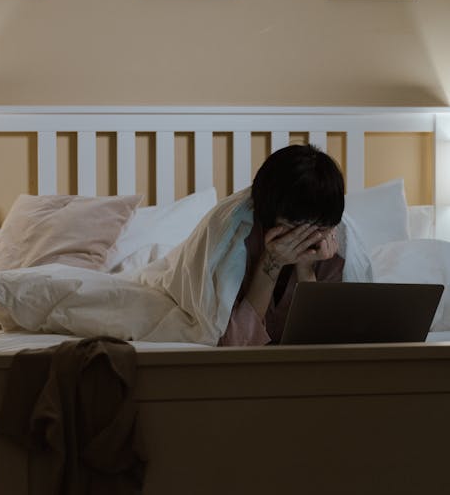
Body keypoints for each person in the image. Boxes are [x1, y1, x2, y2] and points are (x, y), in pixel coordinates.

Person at [139, 143, 372, 346]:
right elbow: (234, 343)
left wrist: (306, 268)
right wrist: (271, 262)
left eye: (317, 230)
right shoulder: (234, 233)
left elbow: (326, 341)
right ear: (268, 218)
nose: (307, 238)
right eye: (295, 229)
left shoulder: (335, 244)